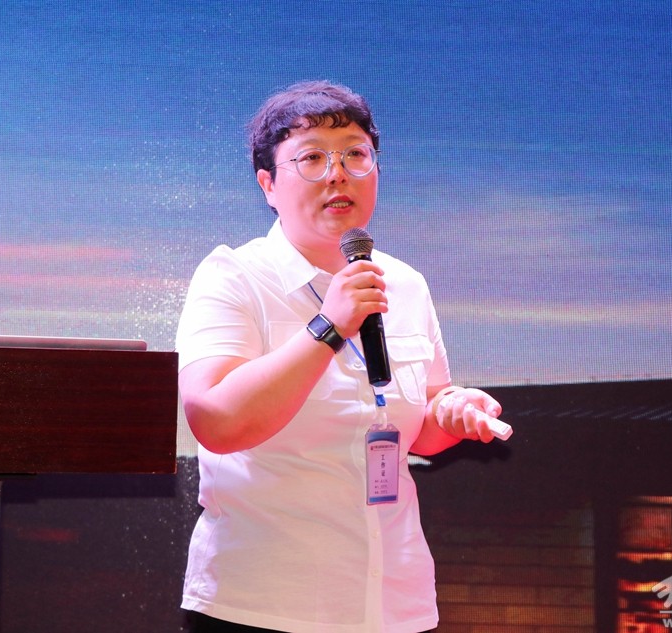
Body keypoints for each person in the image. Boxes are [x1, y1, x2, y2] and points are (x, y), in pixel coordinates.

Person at [175, 80, 503, 633]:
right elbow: (216, 421)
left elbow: (420, 429)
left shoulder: (404, 283)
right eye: (312, 158)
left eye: (355, 154)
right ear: (268, 184)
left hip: (395, 605)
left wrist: (452, 411)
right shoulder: (234, 275)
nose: (338, 174)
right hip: (263, 605)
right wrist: (329, 326)